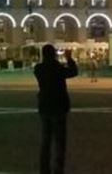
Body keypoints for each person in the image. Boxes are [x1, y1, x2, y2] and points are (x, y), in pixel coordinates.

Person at [35, 45, 78, 174]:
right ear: (53, 54)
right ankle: (58, 170)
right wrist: (69, 58)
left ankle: (44, 170)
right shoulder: (57, 68)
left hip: (44, 106)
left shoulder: (39, 69)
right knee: (59, 142)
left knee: (45, 141)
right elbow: (73, 72)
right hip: (58, 106)